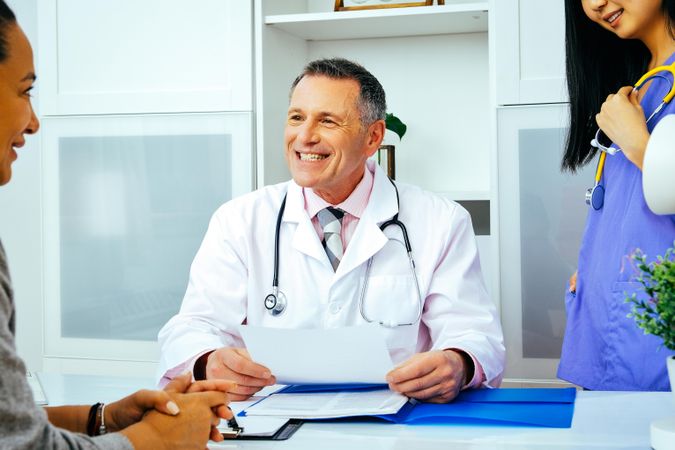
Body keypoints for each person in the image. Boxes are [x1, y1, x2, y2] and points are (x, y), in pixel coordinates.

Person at [158, 58, 505, 403]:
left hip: (399, 424)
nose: (305, 137)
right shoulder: (239, 220)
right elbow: (192, 326)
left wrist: (458, 363)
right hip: (271, 420)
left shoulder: (441, 221)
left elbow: (475, 333)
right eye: (296, 118)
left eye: (327, 121)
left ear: (373, 137)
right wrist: (208, 361)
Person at [0, 2, 236, 448]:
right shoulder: (242, 216)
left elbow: (6, 426)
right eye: (25, 90)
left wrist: (106, 418)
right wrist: (158, 440)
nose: (33, 122)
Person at [559, 0, 675, 390]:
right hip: (607, 324)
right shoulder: (643, 82)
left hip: (655, 336)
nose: (593, 4)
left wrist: (638, 143)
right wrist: (598, 264)